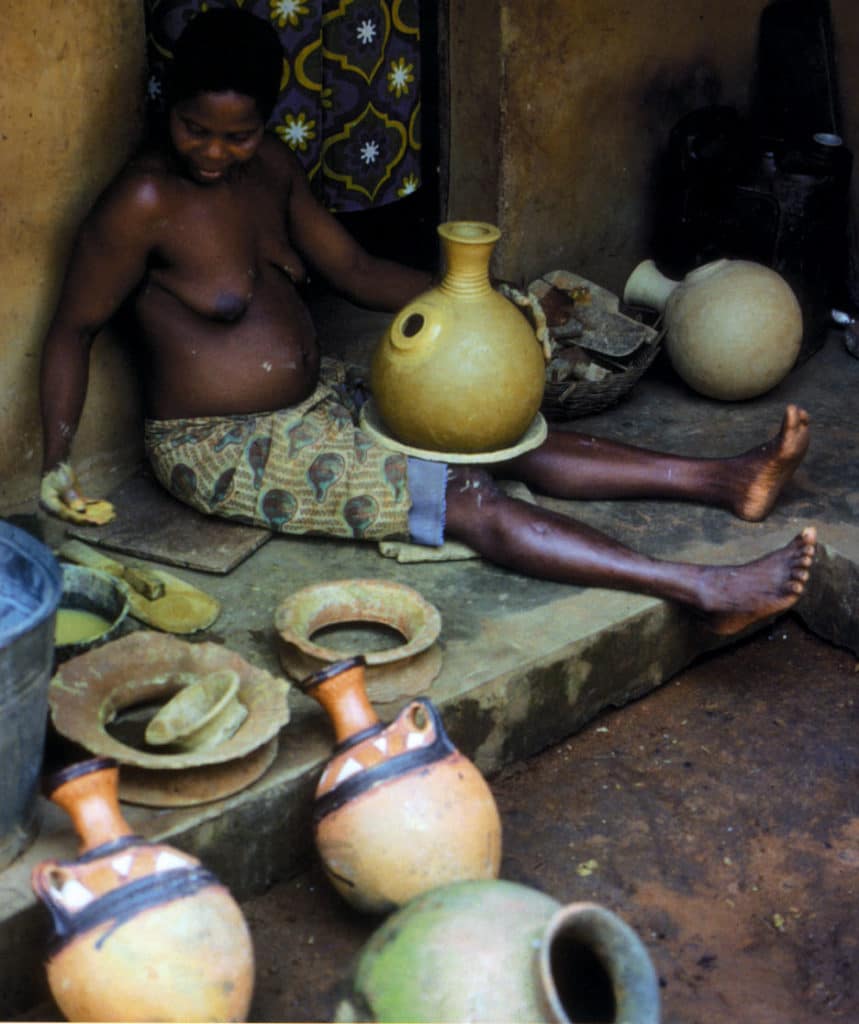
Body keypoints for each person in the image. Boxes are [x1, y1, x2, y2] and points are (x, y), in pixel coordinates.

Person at [39, 9, 817, 638]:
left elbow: (355, 272)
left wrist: (488, 297)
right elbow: (72, 330)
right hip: (222, 443)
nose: (213, 151)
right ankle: (700, 585)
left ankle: (724, 479)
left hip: (318, 403)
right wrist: (59, 463)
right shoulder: (143, 205)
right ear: (165, 110)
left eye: (236, 133)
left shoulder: (269, 167)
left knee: (493, 429)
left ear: (269, 121)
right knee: (465, 495)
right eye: (193, 129)